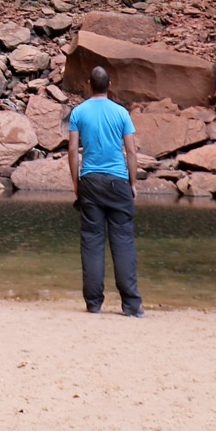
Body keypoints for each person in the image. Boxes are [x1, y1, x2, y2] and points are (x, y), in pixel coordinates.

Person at [67, 65, 143, 317]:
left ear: (89, 84)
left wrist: (76, 184)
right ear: (109, 85)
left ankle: (93, 303)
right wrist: (132, 182)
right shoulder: (121, 113)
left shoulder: (78, 112)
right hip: (118, 181)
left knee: (92, 241)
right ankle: (131, 305)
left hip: (90, 180)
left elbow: (72, 151)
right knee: (123, 242)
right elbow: (131, 151)